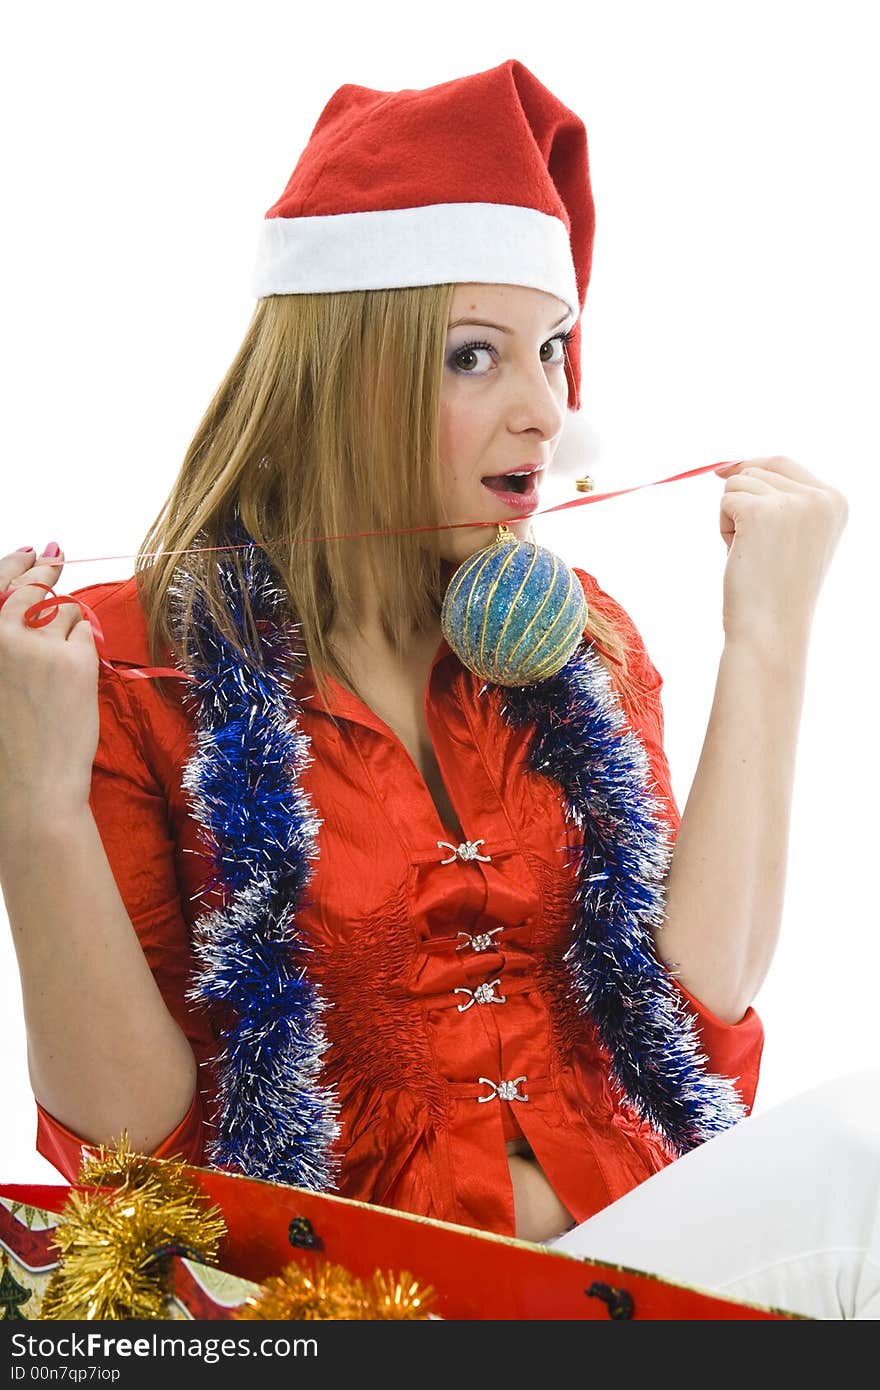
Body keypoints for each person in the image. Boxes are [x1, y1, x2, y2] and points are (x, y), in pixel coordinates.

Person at [0, 59, 872, 1320]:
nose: (544, 409)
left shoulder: (574, 647)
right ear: (344, 376)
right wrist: (32, 800)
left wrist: (770, 636)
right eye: (475, 357)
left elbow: (689, 1014)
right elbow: (135, 1162)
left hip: (645, 1267)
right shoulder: (126, 665)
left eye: (554, 349)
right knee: (865, 1163)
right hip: (341, 1303)